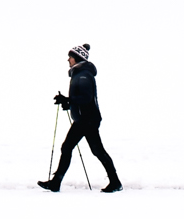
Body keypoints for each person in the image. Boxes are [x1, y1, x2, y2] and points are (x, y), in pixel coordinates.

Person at [38, 44, 122, 191]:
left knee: (82, 149)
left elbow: (85, 98)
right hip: (85, 119)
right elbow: (81, 99)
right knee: (85, 149)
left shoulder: (83, 74)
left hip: (87, 120)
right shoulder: (79, 73)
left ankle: (56, 183)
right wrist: (68, 104)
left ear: (77, 58)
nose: (68, 60)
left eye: (70, 57)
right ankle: (56, 183)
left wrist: (68, 100)